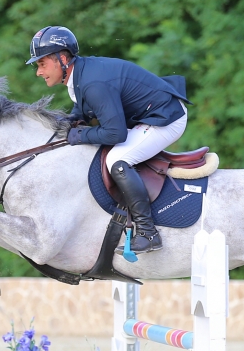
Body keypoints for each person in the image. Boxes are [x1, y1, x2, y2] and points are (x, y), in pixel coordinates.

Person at [26, 26, 190, 254]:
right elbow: (83, 109)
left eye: (42, 64)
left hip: (166, 118)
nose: (38, 72)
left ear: (62, 59)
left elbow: (116, 134)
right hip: (149, 113)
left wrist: (80, 135)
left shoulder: (93, 83)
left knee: (117, 160)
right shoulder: (79, 75)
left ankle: (148, 232)